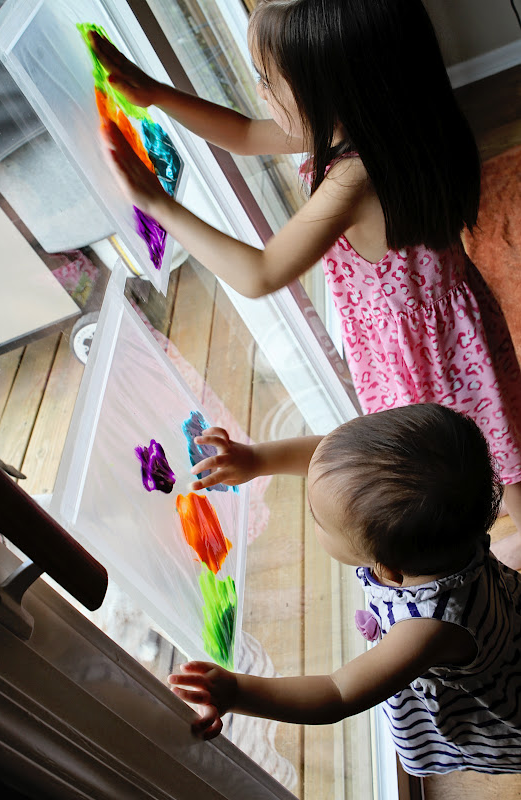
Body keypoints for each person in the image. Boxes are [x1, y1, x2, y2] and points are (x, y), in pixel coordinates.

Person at [89, 0, 521, 567]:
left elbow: (260, 273)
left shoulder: (356, 177)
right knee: (492, 449)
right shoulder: (399, 120)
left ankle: (485, 573)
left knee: (440, 464)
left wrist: (157, 203)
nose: (260, 93)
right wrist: (156, 94)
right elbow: (244, 134)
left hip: (421, 355)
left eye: (269, 81)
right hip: (452, 327)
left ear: (333, 91)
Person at [168, 405, 521, 775]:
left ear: (386, 570)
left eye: (319, 521)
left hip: (488, 698)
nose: (310, 510)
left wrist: (240, 693)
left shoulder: (426, 630)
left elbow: (337, 693)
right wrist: (256, 458)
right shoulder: (451, 528)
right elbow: (329, 460)